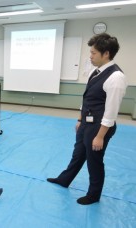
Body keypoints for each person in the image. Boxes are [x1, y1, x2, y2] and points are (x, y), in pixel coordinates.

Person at [47, 33, 127, 205]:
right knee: (78, 154)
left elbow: (112, 111)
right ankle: (64, 179)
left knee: (94, 161)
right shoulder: (95, 72)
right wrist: (79, 119)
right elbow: (88, 98)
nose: (90, 56)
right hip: (86, 122)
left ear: (106, 54)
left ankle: (93, 195)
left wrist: (100, 136)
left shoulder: (116, 77)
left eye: (93, 53)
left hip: (100, 126)